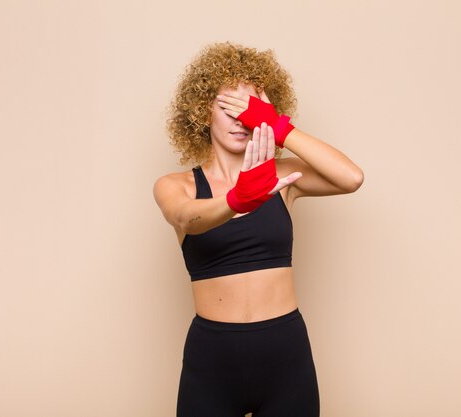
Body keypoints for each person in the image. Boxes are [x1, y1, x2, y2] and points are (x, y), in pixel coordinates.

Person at [154, 41, 364, 417]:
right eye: (228, 108)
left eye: (250, 110)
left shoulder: (283, 177)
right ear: (203, 113)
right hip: (213, 361)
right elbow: (186, 218)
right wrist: (237, 200)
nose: (240, 120)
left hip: (286, 357)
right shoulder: (177, 185)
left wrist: (280, 128)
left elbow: (351, 178)